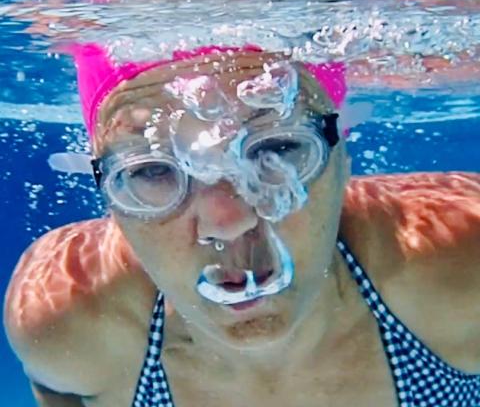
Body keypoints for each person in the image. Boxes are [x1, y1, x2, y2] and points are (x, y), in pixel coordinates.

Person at [3, 42, 480, 407]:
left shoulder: (462, 264)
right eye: (152, 171)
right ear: (107, 194)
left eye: (276, 149)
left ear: (342, 157)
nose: (228, 221)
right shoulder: (68, 320)